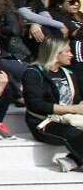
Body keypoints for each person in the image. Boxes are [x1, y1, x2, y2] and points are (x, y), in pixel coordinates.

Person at [22, 35, 83, 172]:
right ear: (55, 53)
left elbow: (77, 98)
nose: (71, 55)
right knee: (74, 134)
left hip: (69, 117)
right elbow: (36, 105)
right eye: (67, 51)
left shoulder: (69, 73)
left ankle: (71, 161)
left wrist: (77, 107)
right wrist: (73, 109)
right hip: (44, 122)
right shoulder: (33, 73)